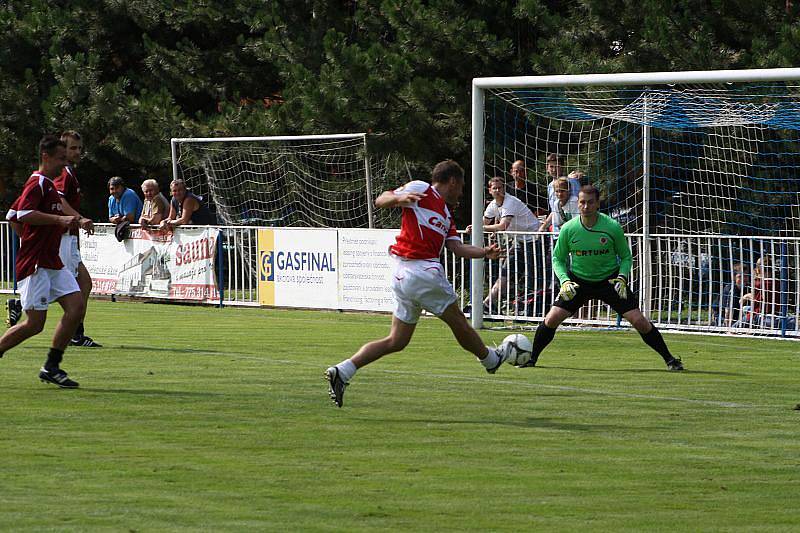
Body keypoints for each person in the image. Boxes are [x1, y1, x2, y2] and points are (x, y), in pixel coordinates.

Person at [324, 160, 515, 407]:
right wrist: (397, 199)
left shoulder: (446, 215)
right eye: (462, 185)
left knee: (397, 341)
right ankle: (491, 360)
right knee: (458, 320)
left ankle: (343, 370)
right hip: (418, 268)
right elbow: (380, 199)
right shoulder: (422, 189)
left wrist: (483, 252)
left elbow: (457, 248)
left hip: (405, 276)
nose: (462, 191)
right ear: (453, 181)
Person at [520, 185, 684, 371]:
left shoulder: (612, 227)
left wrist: (622, 277)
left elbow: (626, 257)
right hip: (578, 282)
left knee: (639, 320)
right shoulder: (569, 228)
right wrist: (565, 280)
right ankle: (531, 359)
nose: (586, 206)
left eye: (590, 202)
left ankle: (670, 360)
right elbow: (558, 259)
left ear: (598, 203)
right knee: (551, 319)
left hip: (610, 281)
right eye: (582, 202)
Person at [0, 135, 91, 388]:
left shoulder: (48, 184)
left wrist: (31, 235)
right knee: (34, 324)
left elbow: (11, 214)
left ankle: (51, 367)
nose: (64, 164)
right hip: (36, 263)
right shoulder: (38, 182)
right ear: (45, 157)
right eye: (60, 159)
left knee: (76, 307)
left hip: (52, 261)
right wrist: (58, 221)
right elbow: (22, 214)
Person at [466, 177, 542, 314]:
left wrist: (479, 227)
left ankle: (533, 310)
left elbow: (502, 226)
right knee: (506, 272)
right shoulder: (493, 205)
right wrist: (473, 226)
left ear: (504, 189)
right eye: (494, 188)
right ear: (489, 190)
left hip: (535, 240)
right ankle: (487, 304)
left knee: (533, 277)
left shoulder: (510, 202)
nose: (497, 191)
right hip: (519, 241)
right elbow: (484, 222)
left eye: (500, 188)